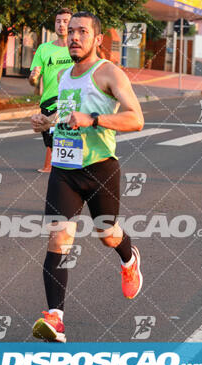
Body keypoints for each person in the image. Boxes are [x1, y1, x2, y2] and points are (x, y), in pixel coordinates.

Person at [30, 11, 144, 343]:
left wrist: (94, 119)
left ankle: (129, 258)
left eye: (83, 32)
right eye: (71, 32)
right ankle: (56, 318)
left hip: (100, 168)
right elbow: (66, 118)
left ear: (97, 40)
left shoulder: (109, 73)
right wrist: (45, 122)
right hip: (65, 169)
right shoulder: (64, 75)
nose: (74, 37)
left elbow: (136, 119)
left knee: (107, 234)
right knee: (58, 238)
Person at [29, 8, 74, 173]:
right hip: (48, 98)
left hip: (70, 98)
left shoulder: (77, 47)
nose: (61, 25)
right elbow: (33, 79)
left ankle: (60, 168)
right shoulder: (43, 49)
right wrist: (33, 77)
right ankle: (52, 166)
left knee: (62, 133)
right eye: (58, 21)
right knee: (48, 136)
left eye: (65, 21)